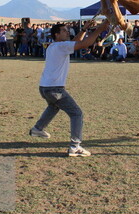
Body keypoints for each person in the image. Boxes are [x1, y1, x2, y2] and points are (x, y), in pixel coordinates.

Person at [30, 19, 110, 157]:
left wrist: (84, 29)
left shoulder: (54, 46)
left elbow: (76, 42)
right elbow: (85, 43)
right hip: (55, 89)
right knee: (76, 113)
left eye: (67, 30)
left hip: (45, 87)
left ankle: (38, 128)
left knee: (54, 107)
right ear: (56, 34)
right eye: (64, 31)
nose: (67, 32)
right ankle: (75, 146)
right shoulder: (61, 46)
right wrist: (100, 29)